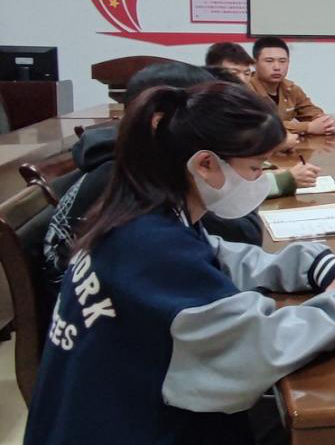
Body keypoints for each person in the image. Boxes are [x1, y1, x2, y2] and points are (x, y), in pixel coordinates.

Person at [18, 81, 335, 445]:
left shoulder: (138, 216)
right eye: (256, 168)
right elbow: (260, 346)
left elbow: (220, 256)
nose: (262, 180)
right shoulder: (151, 248)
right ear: (206, 164)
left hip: (94, 439)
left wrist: (318, 266)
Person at [42, 63, 320, 293]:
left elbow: (211, 251)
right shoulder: (141, 198)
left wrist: (313, 266)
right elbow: (240, 238)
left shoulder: (146, 176)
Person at [249, 36, 335, 136]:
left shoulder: (291, 89)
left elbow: (312, 112)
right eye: (269, 61)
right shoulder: (244, 89)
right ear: (254, 63)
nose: (277, 67)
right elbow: (259, 125)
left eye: (282, 61)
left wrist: (325, 122)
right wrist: (308, 127)